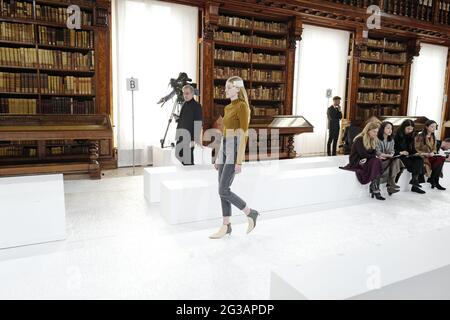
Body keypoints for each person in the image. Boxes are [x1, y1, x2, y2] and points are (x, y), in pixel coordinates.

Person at [209, 76, 260, 239]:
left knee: (223, 189)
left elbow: (243, 133)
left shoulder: (242, 107)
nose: (226, 89)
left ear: (238, 89)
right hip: (225, 147)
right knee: (221, 190)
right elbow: (224, 133)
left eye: (230, 87)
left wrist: (239, 160)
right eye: (226, 87)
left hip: (235, 148)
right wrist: (218, 156)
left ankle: (250, 213)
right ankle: (226, 225)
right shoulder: (228, 107)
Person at [341, 122, 384, 200]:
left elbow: (373, 152)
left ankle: (374, 187)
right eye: (374, 131)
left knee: (377, 161)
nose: (376, 133)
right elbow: (363, 154)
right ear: (368, 130)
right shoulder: (359, 139)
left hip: (366, 160)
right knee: (376, 161)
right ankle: (375, 188)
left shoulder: (373, 139)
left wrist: (373, 156)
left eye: (377, 132)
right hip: (357, 161)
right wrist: (373, 156)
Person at [394, 119, 425, 194]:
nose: (410, 130)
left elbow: (412, 149)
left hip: (408, 155)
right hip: (399, 155)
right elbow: (393, 149)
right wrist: (401, 152)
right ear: (403, 127)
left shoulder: (412, 135)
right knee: (415, 165)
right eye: (408, 128)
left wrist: (416, 153)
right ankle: (415, 183)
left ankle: (414, 181)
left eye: (412, 129)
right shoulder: (396, 135)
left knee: (419, 159)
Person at [174, 85, 203, 166]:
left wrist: (194, 139)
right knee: (178, 154)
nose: (185, 95)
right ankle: (188, 171)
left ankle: (191, 174)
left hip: (189, 136)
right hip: (181, 134)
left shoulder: (197, 106)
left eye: (187, 93)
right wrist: (177, 119)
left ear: (192, 93)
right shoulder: (184, 104)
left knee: (188, 160)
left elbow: (198, 123)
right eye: (184, 93)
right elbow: (183, 119)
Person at [415, 120, 446, 190]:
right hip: (423, 156)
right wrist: (426, 153)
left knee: (441, 158)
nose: (434, 128)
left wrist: (433, 152)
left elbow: (434, 148)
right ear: (426, 127)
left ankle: (433, 179)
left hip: (430, 156)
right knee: (440, 159)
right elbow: (416, 149)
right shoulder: (420, 136)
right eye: (432, 127)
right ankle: (434, 180)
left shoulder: (433, 136)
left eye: (435, 127)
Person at [376, 121, 405, 196]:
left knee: (397, 160)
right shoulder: (377, 139)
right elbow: (378, 152)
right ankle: (391, 184)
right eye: (388, 128)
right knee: (397, 162)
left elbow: (392, 150)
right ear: (382, 129)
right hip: (380, 161)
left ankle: (390, 184)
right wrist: (389, 155)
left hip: (389, 160)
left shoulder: (391, 140)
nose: (390, 130)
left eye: (391, 129)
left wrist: (391, 154)